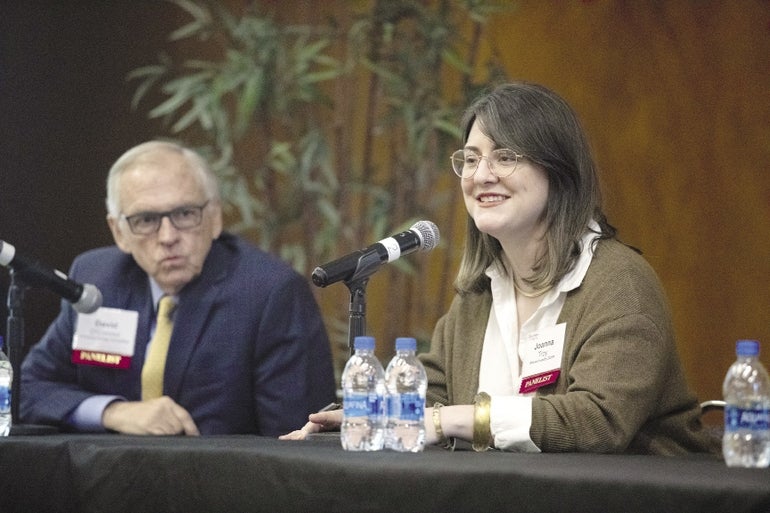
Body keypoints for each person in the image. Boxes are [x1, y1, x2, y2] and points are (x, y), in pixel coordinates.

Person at [281, 82, 717, 454]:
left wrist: (450, 420)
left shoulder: (619, 284)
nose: (481, 175)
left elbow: (599, 420)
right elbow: (432, 393)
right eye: (470, 159)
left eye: (504, 156)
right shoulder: (479, 293)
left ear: (558, 172)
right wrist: (368, 416)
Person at [20, 140, 336, 436]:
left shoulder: (270, 294)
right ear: (119, 232)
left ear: (214, 218)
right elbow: (27, 387)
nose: (168, 236)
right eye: (145, 220)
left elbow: (298, 439)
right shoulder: (98, 280)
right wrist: (114, 412)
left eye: (184, 214)